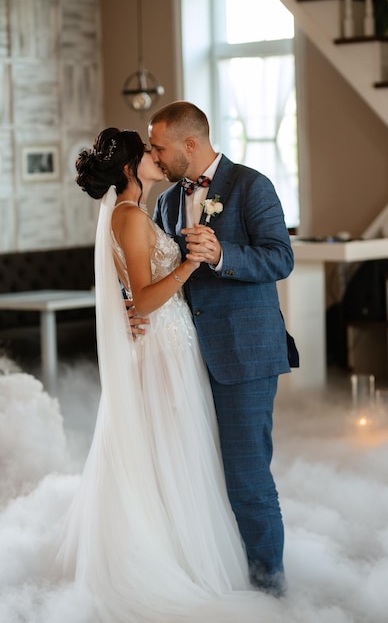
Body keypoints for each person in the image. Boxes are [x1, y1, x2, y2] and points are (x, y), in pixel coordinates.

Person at [51, 127, 277, 622]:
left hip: (179, 345)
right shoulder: (130, 216)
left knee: (186, 456)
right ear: (131, 167)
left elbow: (143, 294)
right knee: (175, 452)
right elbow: (147, 298)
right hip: (162, 349)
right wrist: (192, 264)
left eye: (160, 147)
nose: (158, 156)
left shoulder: (151, 210)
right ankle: (178, 564)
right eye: (149, 151)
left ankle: (199, 557)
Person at [146, 101, 296, 597]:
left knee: (248, 479)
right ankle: (225, 578)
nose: (155, 155)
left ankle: (271, 592)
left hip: (246, 355)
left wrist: (222, 254)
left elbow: (280, 257)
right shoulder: (167, 202)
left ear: (190, 144)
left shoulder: (252, 185)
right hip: (188, 357)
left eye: (160, 146)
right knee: (201, 474)